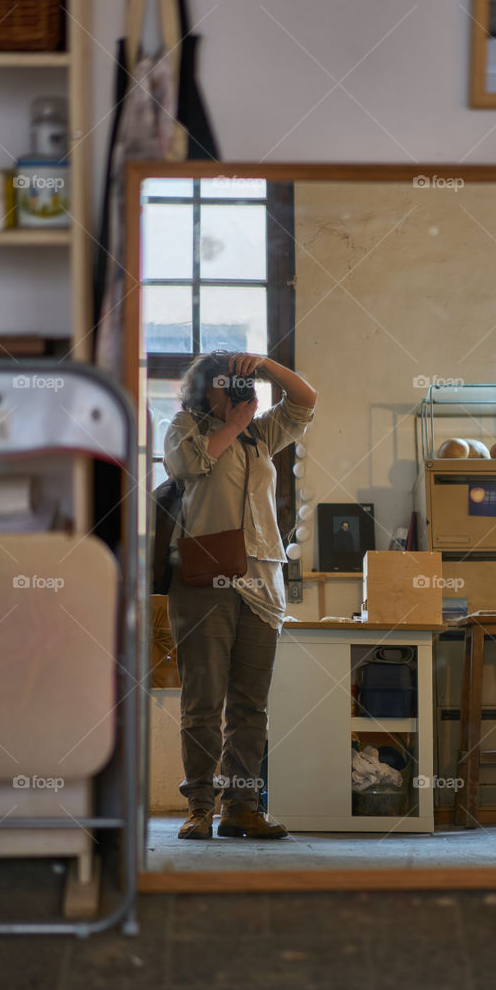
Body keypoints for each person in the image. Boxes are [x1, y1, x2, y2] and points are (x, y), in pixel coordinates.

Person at [164, 350, 318, 841]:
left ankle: (242, 808)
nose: (235, 389)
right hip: (204, 582)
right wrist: (229, 424)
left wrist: (267, 367)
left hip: (262, 584)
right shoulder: (185, 425)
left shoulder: (259, 434)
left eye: (239, 381)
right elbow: (188, 464)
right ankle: (200, 808)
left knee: (251, 707)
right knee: (202, 704)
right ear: (203, 387)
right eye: (225, 380)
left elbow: (306, 400)